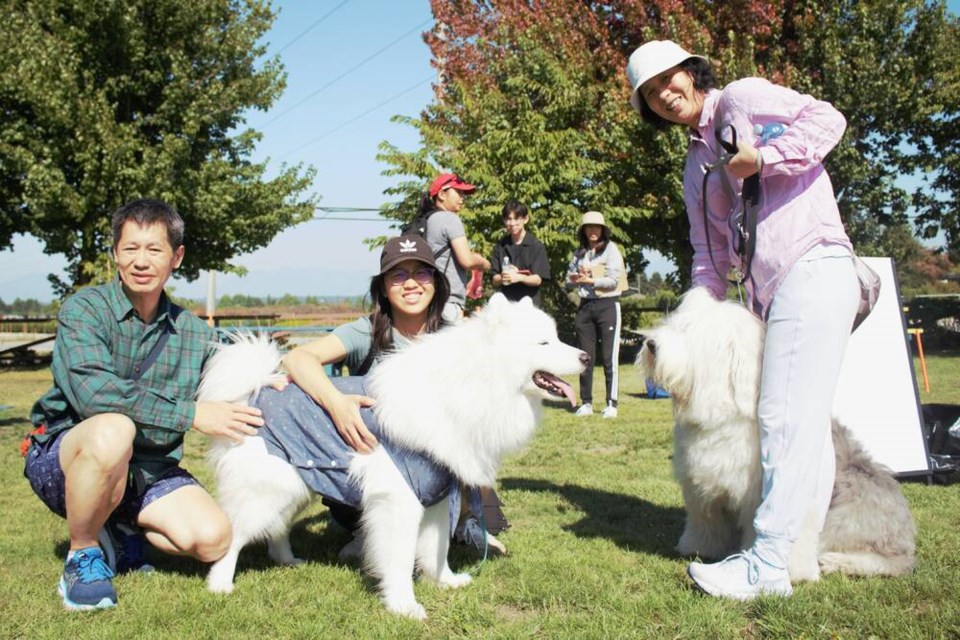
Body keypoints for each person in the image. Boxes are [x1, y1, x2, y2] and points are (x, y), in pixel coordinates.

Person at [626, 39, 860, 600]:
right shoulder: (695, 165)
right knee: (797, 421)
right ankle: (799, 551)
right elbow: (709, 256)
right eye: (650, 94)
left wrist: (764, 159)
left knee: (781, 416)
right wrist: (693, 317)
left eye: (668, 79)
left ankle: (769, 564)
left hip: (813, 261)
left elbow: (829, 119)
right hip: (764, 292)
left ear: (691, 71)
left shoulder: (744, 98)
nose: (664, 95)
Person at [23, 199, 265, 611]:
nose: (141, 260)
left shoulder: (191, 331)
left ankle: (118, 528)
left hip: (149, 470)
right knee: (114, 428)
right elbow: (95, 395)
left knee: (213, 540)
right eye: (130, 248)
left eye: (154, 249)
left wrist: (289, 370)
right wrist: (191, 414)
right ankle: (81, 554)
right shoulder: (84, 310)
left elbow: (242, 364)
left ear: (176, 257)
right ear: (115, 253)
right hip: (65, 457)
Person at [282, 235, 507, 556]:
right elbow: (296, 359)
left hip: (436, 476)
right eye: (398, 275)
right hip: (371, 471)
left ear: (436, 282)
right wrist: (337, 404)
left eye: (421, 273)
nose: (411, 284)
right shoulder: (367, 330)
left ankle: (470, 522)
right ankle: (365, 530)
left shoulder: (453, 336)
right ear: (384, 287)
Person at [565, 211, 625, 419]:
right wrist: (576, 278)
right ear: (583, 231)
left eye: (596, 227)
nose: (593, 230)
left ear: (602, 230)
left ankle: (611, 403)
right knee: (585, 357)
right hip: (584, 306)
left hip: (607, 305)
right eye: (589, 227)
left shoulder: (611, 250)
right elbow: (568, 280)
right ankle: (586, 402)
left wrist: (592, 280)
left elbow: (614, 281)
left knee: (609, 357)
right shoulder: (578, 253)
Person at [419, 172, 491, 323]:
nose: (462, 197)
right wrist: (483, 262)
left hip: (425, 302)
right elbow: (467, 261)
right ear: (442, 194)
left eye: (463, 193)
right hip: (447, 302)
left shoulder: (425, 220)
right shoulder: (450, 219)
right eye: (458, 192)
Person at [490, 199, 551, 307]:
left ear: (525, 219)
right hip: (506, 305)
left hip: (529, 305)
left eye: (517, 218)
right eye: (509, 219)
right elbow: (494, 279)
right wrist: (504, 276)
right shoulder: (500, 246)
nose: (512, 223)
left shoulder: (536, 246)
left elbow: (538, 279)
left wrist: (519, 277)